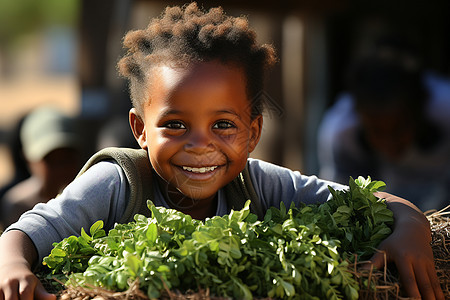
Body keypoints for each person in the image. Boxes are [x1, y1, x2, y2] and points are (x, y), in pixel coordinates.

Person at [0, 4, 444, 300]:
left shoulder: (260, 182)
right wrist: (13, 265)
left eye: (223, 125)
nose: (200, 145)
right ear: (139, 129)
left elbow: (373, 204)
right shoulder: (118, 184)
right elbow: (25, 232)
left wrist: (411, 226)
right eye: (175, 125)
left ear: (253, 134)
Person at [318, 37, 450, 212]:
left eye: (398, 129)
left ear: (418, 111)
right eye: (376, 131)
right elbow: (339, 204)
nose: (389, 143)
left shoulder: (445, 109)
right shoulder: (340, 131)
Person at [0, 106, 82, 229]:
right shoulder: (17, 206)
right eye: (51, 161)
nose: (60, 169)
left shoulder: (88, 199)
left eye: (67, 159)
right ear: (29, 160)